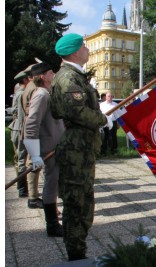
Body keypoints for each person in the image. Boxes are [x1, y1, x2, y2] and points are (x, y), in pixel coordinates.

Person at [50, 33, 108, 261]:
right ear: (74, 51)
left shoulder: (74, 76)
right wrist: (102, 118)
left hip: (81, 148)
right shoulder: (68, 78)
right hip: (75, 150)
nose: (87, 49)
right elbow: (77, 111)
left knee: (83, 201)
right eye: (83, 46)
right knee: (77, 205)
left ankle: (78, 251)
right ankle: (76, 256)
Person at [23, 62, 65, 237]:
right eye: (50, 72)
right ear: (43, 76)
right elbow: (31, 124)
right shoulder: (41, 94)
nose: (53, 74)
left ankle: (55, 222)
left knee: (54, 184)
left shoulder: (47, 93)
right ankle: (52, 225)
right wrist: (34, 154)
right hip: (49, 149)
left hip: (55, 147)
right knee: (51, 184)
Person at [21, 63, 44, 208]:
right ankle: (33, 197)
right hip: (37, 130)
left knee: (32, 163)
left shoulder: (29, 87)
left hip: (33, 128)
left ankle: (33, 195)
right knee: (33, 164)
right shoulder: (35, 89)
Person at [8, 70, 30, 198]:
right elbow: (22, 116)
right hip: (21, 129)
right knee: (22, 159)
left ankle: (20, 185)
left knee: (20, 158)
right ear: (25, 80)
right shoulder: (22, 94)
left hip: (17, 128)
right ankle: (23, 189)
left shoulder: (19, 93)